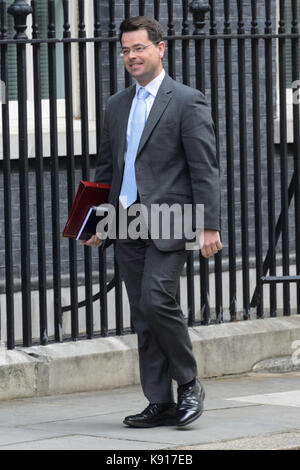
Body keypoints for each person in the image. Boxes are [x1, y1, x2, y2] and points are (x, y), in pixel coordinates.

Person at [83, 16, 222, 428]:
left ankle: (190, 383)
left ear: (161, 49)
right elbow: (106, 168)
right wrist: (96, 221)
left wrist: (209, 224)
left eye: (139, 48)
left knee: (158, 300)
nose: (131, 57)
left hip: (170, 220)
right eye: (125, 50)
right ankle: (159, 401)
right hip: (126, 221)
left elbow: (205, 168)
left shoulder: (186, 100)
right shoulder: (115, 105)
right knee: (142, 312)